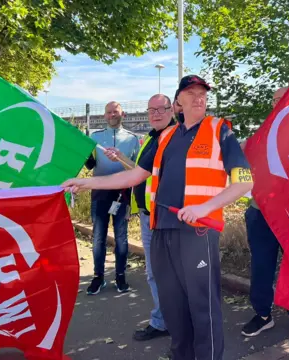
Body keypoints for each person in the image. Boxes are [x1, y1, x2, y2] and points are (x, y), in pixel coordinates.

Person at [62, 75, 253, 360]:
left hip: (197, 232)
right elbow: (135, 176)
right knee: (173, 307)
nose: (199, 97)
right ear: (179, 102)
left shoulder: (219, 130)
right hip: (161, 229)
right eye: (191, 92)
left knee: (203, 308)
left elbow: (245, 182)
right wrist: (86, 183)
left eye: (202, 92)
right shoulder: (164, 138)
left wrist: (203, 208)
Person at [239, 87, 289, 346]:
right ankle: (262, 314)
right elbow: (241, 162)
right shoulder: (261, 135)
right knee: (261, 266)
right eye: (274, 100)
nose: (278, 104)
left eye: (283, 100)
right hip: (261, 214)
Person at [126, 94, 176, 342]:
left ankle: (170, 323)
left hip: (165, 219)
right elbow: (140, 174)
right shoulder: (151, 137)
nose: (156, 114)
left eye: (161, 109)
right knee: (154, 273)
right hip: (149, 217)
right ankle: (164, 321)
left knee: (166, 273)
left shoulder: (175, 137)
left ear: (172, 110)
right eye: (151, 110)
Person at [84, 101, 140, 295]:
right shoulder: (94, 137)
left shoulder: (133, 139)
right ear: (104, 115)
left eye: (115, 112)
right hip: (99, 192)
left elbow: (136, 168)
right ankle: (98, 277)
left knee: (121, 237)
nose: (112, 115)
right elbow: (89, 164)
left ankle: (120, 276)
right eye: (109, 112)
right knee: (98, 237)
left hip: (122, 194)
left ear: (122, 114)